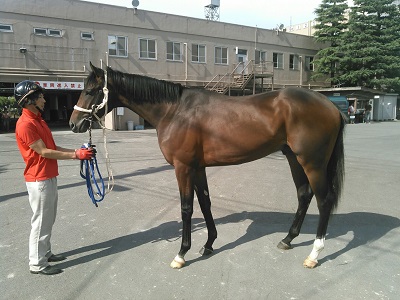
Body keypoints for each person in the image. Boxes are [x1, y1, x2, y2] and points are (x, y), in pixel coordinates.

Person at [14, 80, 94, 275]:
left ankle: (46, 253)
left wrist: (78, 151)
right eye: (40, 97)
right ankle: (37, 264)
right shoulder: (25, 124)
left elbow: (53, 148)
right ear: (30, 100)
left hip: (48, 176)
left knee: (48, 219)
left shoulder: (38, 120)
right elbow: (44, 152)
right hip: (39, 179)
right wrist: (77, 155)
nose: (43, 99)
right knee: (40, 221)